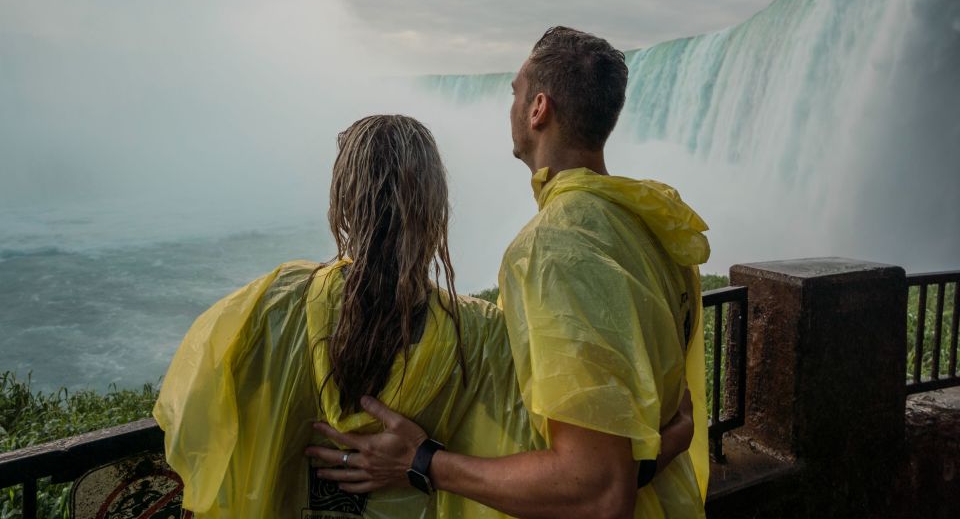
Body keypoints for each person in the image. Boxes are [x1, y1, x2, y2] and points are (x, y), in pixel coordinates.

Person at [154, 114, 694, 518]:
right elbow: (575, 474)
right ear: (436, 210)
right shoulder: (480, 336)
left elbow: (198, 425)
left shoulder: (269, 308)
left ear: (342, 205)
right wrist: (671, 437)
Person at [310, 28, 711, 518]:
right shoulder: (650, 226)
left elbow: (598, 491)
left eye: (515, 94)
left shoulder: (553, 249)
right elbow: (664, 410)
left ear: (538, 108)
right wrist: (663, 446)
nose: (511, 107)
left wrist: (422, 461)